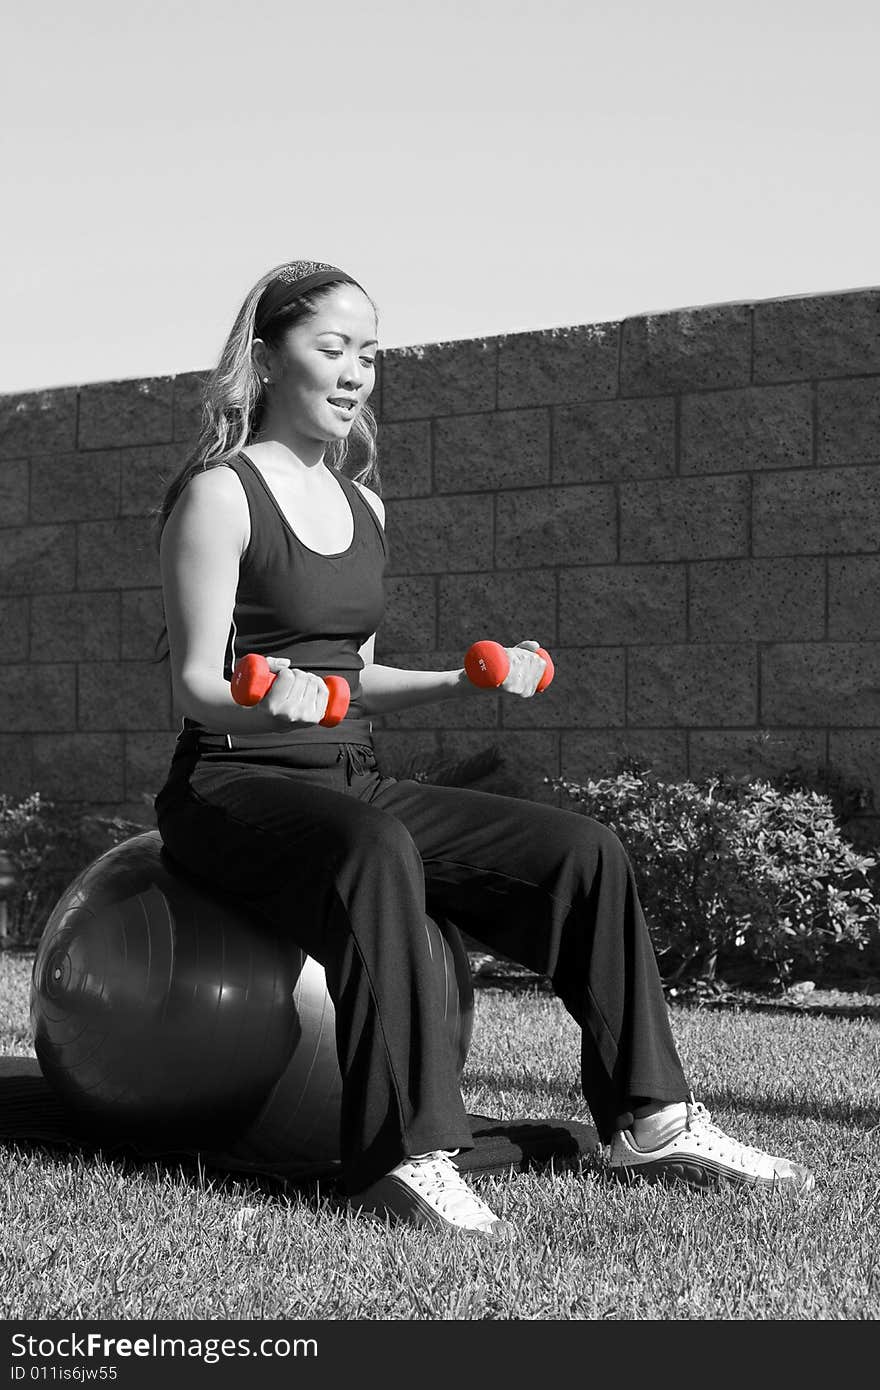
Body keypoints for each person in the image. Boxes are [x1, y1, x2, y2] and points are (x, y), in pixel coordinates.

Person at [151, 258, 814, 1241]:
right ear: (262, 356)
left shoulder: (363, 506)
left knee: (579, 851)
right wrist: (275, 704)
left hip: (351, 777)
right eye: (331, 349)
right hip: (231, 785)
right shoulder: (221, 494)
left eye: (368, 355)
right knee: (374, 852)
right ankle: (402, 1158)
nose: (354, 373)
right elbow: (197, 687)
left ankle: (651, 1121)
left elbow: (356, 677)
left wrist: (465, 681)